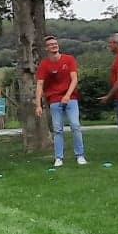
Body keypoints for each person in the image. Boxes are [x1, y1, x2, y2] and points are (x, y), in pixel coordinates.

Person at [36, 36, 87, 166]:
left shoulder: (68, 59)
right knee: (58, 129)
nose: (54, 46)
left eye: (55, 43)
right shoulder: (44, 64)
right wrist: (38, 105)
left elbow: (74, 79)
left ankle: (80, 155)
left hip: (71, 98)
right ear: (46, 48)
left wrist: (68, 95)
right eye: (51, 44)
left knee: (75, 125)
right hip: (54, 99)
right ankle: (59, 157)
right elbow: (40, 85)